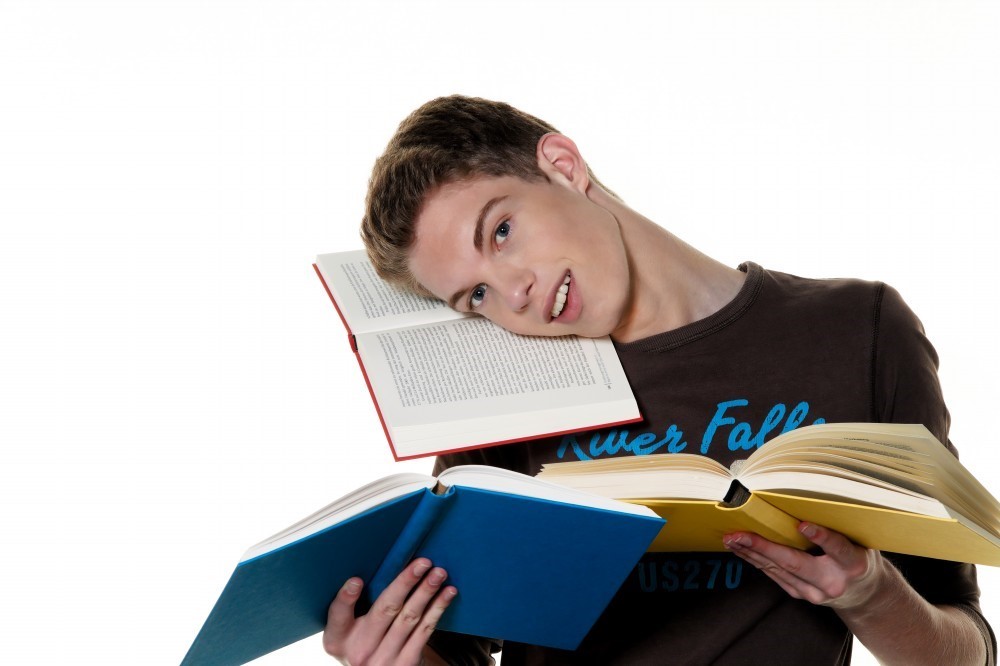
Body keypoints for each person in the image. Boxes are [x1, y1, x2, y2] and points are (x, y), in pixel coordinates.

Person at [322, 95, 996, 665]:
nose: (514, 291)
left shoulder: (857, 329)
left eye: (500, 232)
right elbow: (455, 647)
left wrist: (870, 596)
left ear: (562, 166)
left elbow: (966, 648)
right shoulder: (502, 400)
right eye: (476, 295)